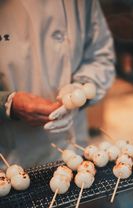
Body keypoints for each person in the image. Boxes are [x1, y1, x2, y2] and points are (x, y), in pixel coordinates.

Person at [0, 0, 115, 167]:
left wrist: (81, 89)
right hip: (12, 158)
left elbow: (100, 56)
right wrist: (7, 103)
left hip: (76, 147)